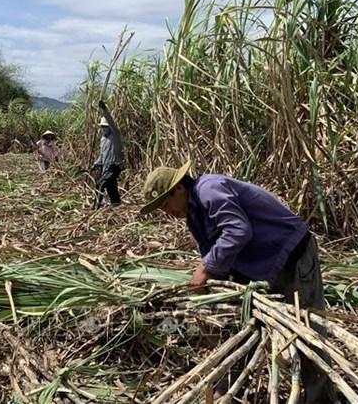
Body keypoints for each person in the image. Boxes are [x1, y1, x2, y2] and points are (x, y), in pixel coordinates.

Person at [140, 161, 337, 404]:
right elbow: (215, 257)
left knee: (306, 331)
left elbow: (238, 230)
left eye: (165, 203)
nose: (166, 210)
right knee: (241, 326)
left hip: (291, 256)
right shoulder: (194, 217)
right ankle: (228, 391)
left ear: (179, 188)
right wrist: (210, 305)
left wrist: (204, 268)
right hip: (260, 266)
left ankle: (322, 400)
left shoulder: (209, 190)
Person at [91, 100, 123, 209]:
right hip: (106, 167)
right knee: (111, 188)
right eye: (102, 127)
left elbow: (110, 120)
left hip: (114, 166)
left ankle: (95, 207)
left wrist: (104, 109)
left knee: (101, 184)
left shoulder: (115, 135)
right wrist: (96, 163)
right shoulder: (103, 139)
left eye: (106, 127)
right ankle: (116, 204)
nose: (104, 129)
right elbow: (102, 155)